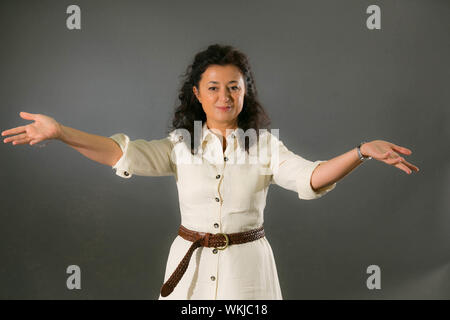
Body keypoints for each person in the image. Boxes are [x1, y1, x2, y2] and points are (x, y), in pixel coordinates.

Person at [1, 44, 419, 300]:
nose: (225, 95)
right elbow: (120, 154)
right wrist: (60, 133)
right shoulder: (181, 145)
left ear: (245, 92)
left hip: (249, 273)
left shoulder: (265, 145)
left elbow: (312, 177)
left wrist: (361, 151)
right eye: (214, 87)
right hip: (190, 271)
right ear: (198, 94)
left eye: (234, 86)